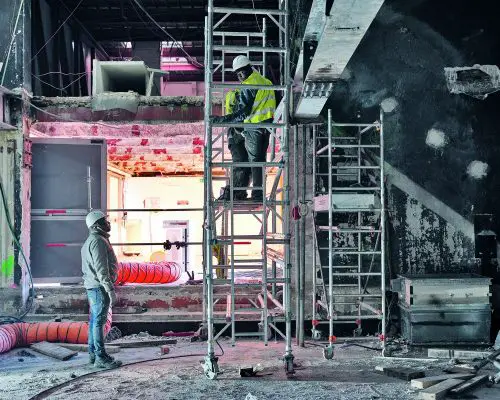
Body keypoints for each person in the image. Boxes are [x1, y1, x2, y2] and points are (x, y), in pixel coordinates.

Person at [212, 55, 276, 201]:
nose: (240, 76)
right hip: (265, 127)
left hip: (255, 126)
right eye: (238, 74)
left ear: (249, 68)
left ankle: (256, 194)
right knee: (257, 160)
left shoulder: (249, 84)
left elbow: (243, 112)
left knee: (254, 161)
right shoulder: (264, 81)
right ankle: (253, 193)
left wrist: (221, 120)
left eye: (242, 72)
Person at [81, 210, 121, 369]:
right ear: (97, 225)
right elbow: (101, 269)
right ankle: (100, 357)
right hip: (99, 288)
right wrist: (110, 289)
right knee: (98, 322)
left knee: (94, 322)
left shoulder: (92, 240)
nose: (108, 223)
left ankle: (93, 354)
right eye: (105, 220)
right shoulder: (97, 241)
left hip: (94, 287)